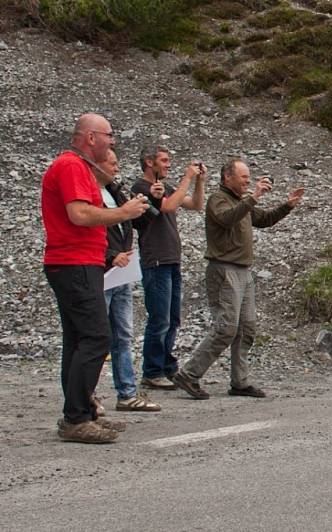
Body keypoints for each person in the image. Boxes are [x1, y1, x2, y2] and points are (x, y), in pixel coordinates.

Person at [41, 113, 149, 443]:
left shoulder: (80, 168)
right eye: (109, 135)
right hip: (74, 263)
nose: (113, 141)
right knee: (96, 337)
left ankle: (81, 413)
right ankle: (76, 417)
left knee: (79, 340)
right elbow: (80, 214)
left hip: (77, 263)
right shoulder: (72, 166)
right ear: (91, 138)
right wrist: (124, 212)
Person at [172, 158, 304, 399]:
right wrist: (254, 196)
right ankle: (189, 374)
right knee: (226, 328)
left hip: (243, 271)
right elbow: (227, 219)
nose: (248, 181)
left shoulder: (241, 202)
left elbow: (263, 219)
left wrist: (287, 206)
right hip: (224, 270)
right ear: (227, 178)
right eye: (243, 177)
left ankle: (239, 382)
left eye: (248, 177)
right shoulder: (217, 200)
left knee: (246, 328)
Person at [130, 145, 206, 390]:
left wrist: (199, 182)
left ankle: (166, 365)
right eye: (164, 160)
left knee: (172, 319)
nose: (168, 164)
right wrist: (187, 177)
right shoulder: (141, 188)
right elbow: (168, 207)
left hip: (172, 259)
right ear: (149, 162)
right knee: (159, 318)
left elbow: (194, 204)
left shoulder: (167, 188)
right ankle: (152, 370)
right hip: (156, 260)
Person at [92, 149, 161, 413]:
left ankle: (127, 392)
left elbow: (133, 222)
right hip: (102, 271)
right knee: (96, 336)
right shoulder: (90, 194)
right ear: (96, 164)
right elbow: (88, 230)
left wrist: (149, 204)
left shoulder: (115, 191)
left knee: (123, 334)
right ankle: (89, 393)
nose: (116, 168)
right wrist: (111, 255)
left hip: (122, 272)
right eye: (111, 163)